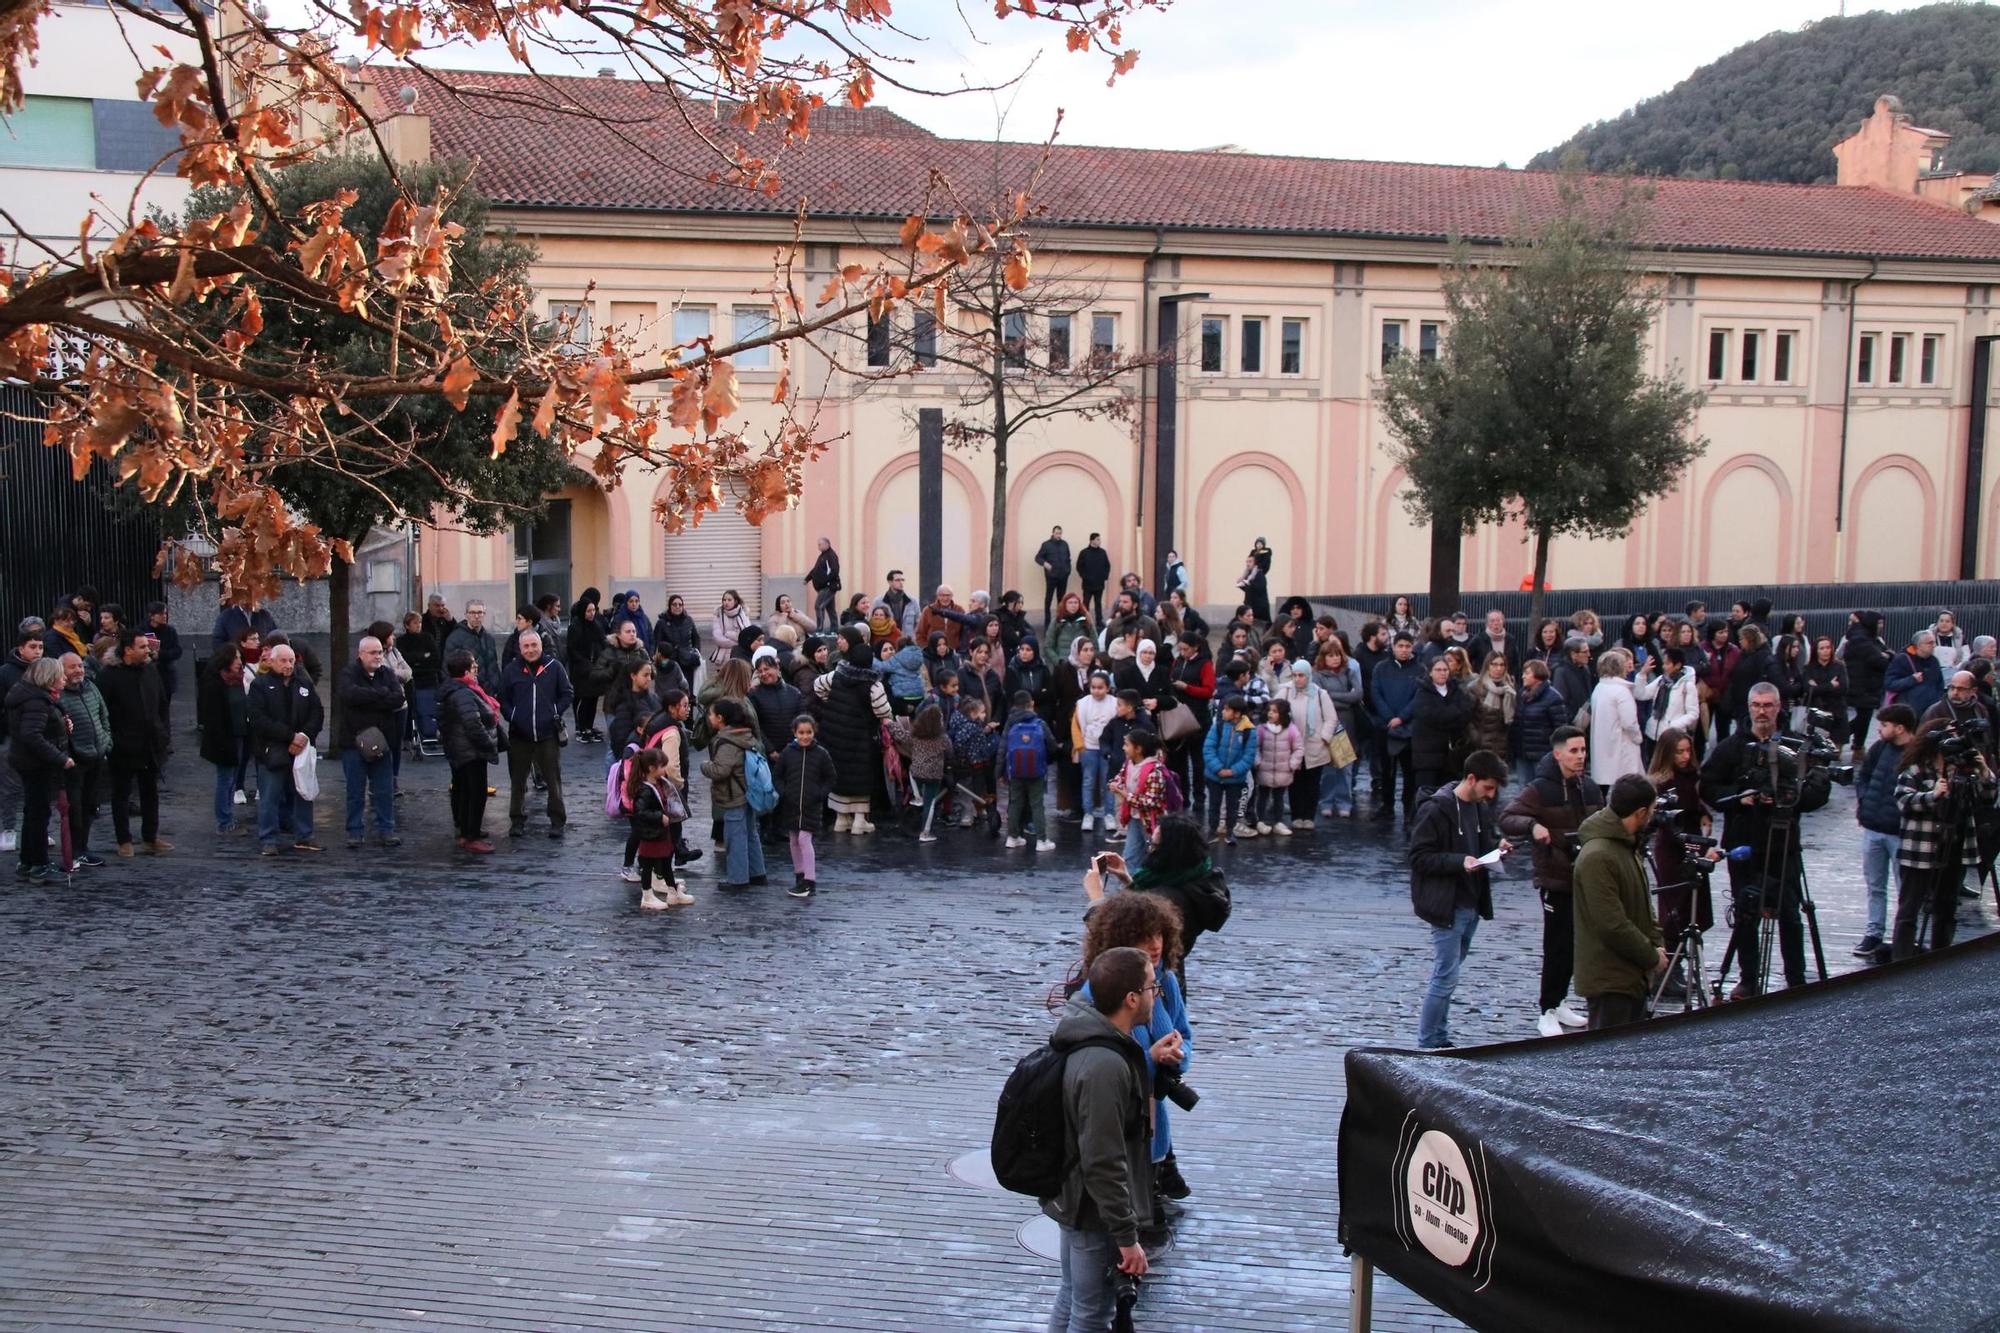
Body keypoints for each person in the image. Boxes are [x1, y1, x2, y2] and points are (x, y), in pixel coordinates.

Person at [1040, 946, 1159, 1333]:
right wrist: (1127, 1238)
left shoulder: (1088, 1039)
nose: (1156, 994)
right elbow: (1103, 1160)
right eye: (1152, 987)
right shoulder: (1105, 1065)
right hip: (1094, 1211)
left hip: (1076, 1200)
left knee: (1073, 1299)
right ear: (1131, 999)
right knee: (1091, 1315)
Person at [1700, 682, 1830, 996]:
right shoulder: (1732, 747)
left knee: (1789, 914)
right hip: (1744, 844)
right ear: (1748, 707)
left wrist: (1791, 798)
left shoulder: (1795, 745)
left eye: (1768, 705)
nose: (1762, 711)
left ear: (1778, 707)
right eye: (1757, 705)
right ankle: (1748, 978)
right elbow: (1708, 787)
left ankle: (1795, 979)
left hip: (1784, 844)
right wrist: (1739, 797)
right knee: (1746, 915)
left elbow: (1819, 791)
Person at [1500, 726, 1600, 1037]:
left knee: (1574, 945)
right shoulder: (1540, 789)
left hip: (1583, 876)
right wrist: (1532, 826)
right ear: (1558, 753)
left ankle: (1559, 1001)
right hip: (1555, 878)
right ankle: (1546, 1008)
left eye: (1583, 750)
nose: (1580, 756)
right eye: (1574, 751)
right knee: (1556, 945)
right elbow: (1508, 817)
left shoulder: (1589, 787)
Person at [1409, 750, 1513, 1049]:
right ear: (1471, 778)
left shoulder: (1477, 808)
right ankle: (1428, 1041)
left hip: (1470, 903)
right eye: (1488, 787)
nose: (1490, 795)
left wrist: (1497, 846)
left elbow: (1483, 843)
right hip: (1448, 905)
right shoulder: (1436, 810)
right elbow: (1418, 857)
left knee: (1449, 974)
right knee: (1445, 976)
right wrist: (1459, 862)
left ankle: (1438, 1036)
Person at [1572, 774, 1669, 1030]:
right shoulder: (1599, 856)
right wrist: (1651, 956)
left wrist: (1656, 943)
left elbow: (1642, 905)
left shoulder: (1625, 847)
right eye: (1652, 810)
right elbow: (1611, 923)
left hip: (1629, 977)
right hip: (1610, 980)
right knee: (1606, 1063)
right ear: (1640, 812)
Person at [97, 629, 171, 858]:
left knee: (150, 791)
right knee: (121, 793)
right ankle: (124, 840)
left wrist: (163, 734)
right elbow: (102, 711)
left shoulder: (150, 670)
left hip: (150, 742)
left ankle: (150, 836)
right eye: (142, 647)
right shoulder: (109, 675)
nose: (147, 650)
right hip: (123, 745)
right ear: (128, 649)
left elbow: (161, 703)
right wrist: (112, 739)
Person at [246, 644, 324, 856]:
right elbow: (258, 719)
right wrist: (290, 736)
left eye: (291, 661)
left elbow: (317, 713)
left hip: (301, 750)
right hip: (272, 750)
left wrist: (304, 736)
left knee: (303, 794)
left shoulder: (304, 684)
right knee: (270, 796)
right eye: (283, 660)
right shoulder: (260, 686)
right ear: (271, 662)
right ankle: (269, 839)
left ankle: (304, 835)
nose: (288, 665)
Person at [1852, 703, 1916, 962]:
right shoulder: (1880, 748)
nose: (1880, 729)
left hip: (1900, 833)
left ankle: (1902, 936)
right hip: (1873, 828)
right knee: (1875, 885)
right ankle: (1874, 933)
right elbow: (1863, 776)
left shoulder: (1915, 754)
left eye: (1885, 725)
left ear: (1899, 728)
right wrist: (1865, 800)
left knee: (1905, 888)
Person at [496, 629, 573, 839]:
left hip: (548, 734)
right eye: (526, 646)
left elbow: (567, 693)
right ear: (520, 649)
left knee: (552, 779)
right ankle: (517, 820)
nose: (530, 650)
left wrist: (555, 712)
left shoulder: (553, 667)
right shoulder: (512, 670)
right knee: (518, 780)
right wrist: (512, 715)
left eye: (534, 645)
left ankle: (557, 821)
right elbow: (502, 697)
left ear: (540, 645)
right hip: (519, 735)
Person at [813, 640, 892, 834]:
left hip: (833, 734)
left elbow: (818, 686)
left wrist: (830, 702)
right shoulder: (873, 685)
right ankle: (859, 821)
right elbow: (884, 711)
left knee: (839, 773)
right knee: (860, 774)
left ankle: (841, 819)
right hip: (861, 737)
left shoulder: (836, 676)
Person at [335, 635, 406, 849]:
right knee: (355, 791)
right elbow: (350, 696)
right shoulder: (348, 673)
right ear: (361, 654)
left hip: (382, 741)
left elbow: (398, 698)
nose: (378, 656)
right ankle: (354, 831)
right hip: (353, 742)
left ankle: (386, 829)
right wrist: (380, 696)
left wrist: (371, 698)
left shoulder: (387, 673)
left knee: (384, 790)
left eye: (380, 652)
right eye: (373, 652)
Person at [6, 657, 73, 882]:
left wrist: (64, 726)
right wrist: (60, 758)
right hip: (35, 764)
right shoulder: (37, 701)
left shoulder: (35, 697)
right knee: (38, 813)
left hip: (29, 762)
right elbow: (32, 735)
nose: (65, 678)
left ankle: (28, 861)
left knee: (33, 812)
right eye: (61, 674)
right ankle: (38, 863)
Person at [436, 649, 500, 853]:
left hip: (460, 748)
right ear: (465, 671)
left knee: (463, 789)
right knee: (475, 792)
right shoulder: (463, 692)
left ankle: (466, 830)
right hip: (469, 750)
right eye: (473, 667)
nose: (476, 671)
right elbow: (472, 723)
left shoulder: (453, 689)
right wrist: (489, 743)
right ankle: (470, 834)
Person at [702, 697, 768, 889]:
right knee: (750, 834)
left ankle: (738, 879)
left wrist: (705, 766)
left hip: (733, 795)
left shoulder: (727, 741)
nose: (709, 717)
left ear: (720, 718)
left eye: (711, 714)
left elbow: (720, 770)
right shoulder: (746, 735)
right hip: (748, 792)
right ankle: (757, 873)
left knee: (735, 837)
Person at [54, 653, 109, 870]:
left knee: (89, 805)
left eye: (80, 666)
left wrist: (106, 742)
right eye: (73, 667)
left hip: (96, 756)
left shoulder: (91, 688)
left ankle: (83, 848)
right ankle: (74, 850)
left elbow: (104, 715)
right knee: (74, 808)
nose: (79, 670)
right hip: (74, 761)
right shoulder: (59, 695)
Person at [197, 644, 250, 836]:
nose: (239, 661)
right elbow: (212, 716)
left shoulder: (237, 680)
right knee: (225, 779)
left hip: (239, 734)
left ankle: (228, 817)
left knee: (232, 778)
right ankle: (224, 821)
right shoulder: (215, 683)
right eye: (236, 658)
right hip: (224, 738)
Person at [1371, 631, 1423, 819]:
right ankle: (1387, 804)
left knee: (1409, 770)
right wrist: (1389, 718)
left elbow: (1418, 697)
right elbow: (1375, 693)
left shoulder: (1420, 670)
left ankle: (1408, 805)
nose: (1403, 650)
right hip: (1385, 725)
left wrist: (1401, 718)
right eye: (1400, 646)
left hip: (1408, 727)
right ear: (1393, 647)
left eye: (1407, 646)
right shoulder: (1381, 668)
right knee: (1386, 769)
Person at [999, 690, 1058, 851]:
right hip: (1036, 770)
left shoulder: (1010, 723)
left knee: (1015, 803)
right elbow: (1052, 745)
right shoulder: (1040, 723)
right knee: (1037, 804)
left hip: (1015, 771)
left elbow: (1003, 748)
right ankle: (1042, 840)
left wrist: (999, 772)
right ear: (1031, 704)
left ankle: (1012, 837)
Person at [1411, 654, 1474, 799]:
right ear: (1431, 672)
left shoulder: (1457, 690)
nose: (1442, 673)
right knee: (1426, 795)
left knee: (1449, 796)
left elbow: (1466, 712)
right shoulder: (1422, 692)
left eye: (1445, 669)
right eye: (1438, 670)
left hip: (1452, 756)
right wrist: (1452, 713)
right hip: (1427, 755)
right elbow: (1432, 716)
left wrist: (1448, 715)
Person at [1202, 695, 1258, 844]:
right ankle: (1212, 831)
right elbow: (1208, 749)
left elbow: (1248, 757)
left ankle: (1230, 831)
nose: (1222, 712)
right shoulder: (1218, 726)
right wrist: (1218, 768)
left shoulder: (1249, 732)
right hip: (1215, 776)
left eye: (1227, 710)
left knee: (1232, 806)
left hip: (1235, 778)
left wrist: (1233, 771)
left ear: (1237, 713)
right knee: (1214, 804)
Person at [1109, 728, 1168, 870]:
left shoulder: (1155, 771)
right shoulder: (1129, 763)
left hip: (1151, 822)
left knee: (1154, 858)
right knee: (1130, 856)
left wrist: (1124, 794)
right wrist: (1115, 783)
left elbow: (1150, 802)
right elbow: (1121, 776)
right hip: (1135, 818)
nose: (1124, 748)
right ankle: (1129, 888)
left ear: (1138, 749)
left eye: (1127, 745)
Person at [1588, 649, 1646, 786]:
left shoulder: (1599, 688)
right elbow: (1629, 723)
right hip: (1622, 749)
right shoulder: (1621, 691)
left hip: (1604, 748)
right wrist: (1638, 738)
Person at [1841, 611, 1892, 758]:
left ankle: (1857, 745)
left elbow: (1886, 653)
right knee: (1864, 717)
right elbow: (1880, 660)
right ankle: (1842, 739)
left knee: (1864, 716)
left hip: (1866, 684)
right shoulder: (1862, 640)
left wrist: (1887, 655)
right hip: (1862, 684)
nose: (1881, 626)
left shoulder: (1868, 638)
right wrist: (1887, 656)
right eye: (1879, 623)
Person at [1885, 629, 1946, 720]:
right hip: (1908, 713)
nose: (1934, 646)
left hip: (1930, 712)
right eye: (1930, 643)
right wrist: (1911, 679)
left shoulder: (1934, 661)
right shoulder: (1902, 659)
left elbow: (1939, 685)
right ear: (1919, 645)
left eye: (1934, 643)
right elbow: (1890, 683)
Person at [1032, 525, 1073, 627]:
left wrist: (1068, 570)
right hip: (1051, 576)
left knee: (1062, 599)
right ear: (1053, 533)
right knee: (1049, 598)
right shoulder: (1046, 545)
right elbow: (1038, 557)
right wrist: (1045, 564)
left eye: (1060, 533)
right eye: (1057, 533)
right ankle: (1047, 620)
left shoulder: (1064, 544)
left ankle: (1060, 619)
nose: (1058, 535)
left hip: (1063, 575)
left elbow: (1068, 558)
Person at [1468, 609, 1519, 679]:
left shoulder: (1510, 640)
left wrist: (1513, 676)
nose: (1496, 623)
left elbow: (1515, 662)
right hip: (1483, 680)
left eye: (1498, 620)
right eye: (1492, 621)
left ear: (1503, 622)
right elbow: (1467, 659)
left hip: (1505, 679)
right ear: (1487, 623)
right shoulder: (1478, 639)